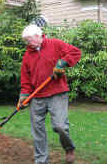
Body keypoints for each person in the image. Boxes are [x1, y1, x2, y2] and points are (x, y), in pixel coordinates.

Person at [18, 24, 81, 164]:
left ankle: (69, 148)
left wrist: (62, 63)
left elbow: (76, 52)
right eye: (26, 41)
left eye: (29, 40)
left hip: (57, 93)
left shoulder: (55, 44)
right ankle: (41, 160)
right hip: (37, 97)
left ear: (38, 36)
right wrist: (24, 95)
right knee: (37, 130)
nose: (28, 43)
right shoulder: (28, 55)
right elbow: (25, 78)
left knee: (60, 126)